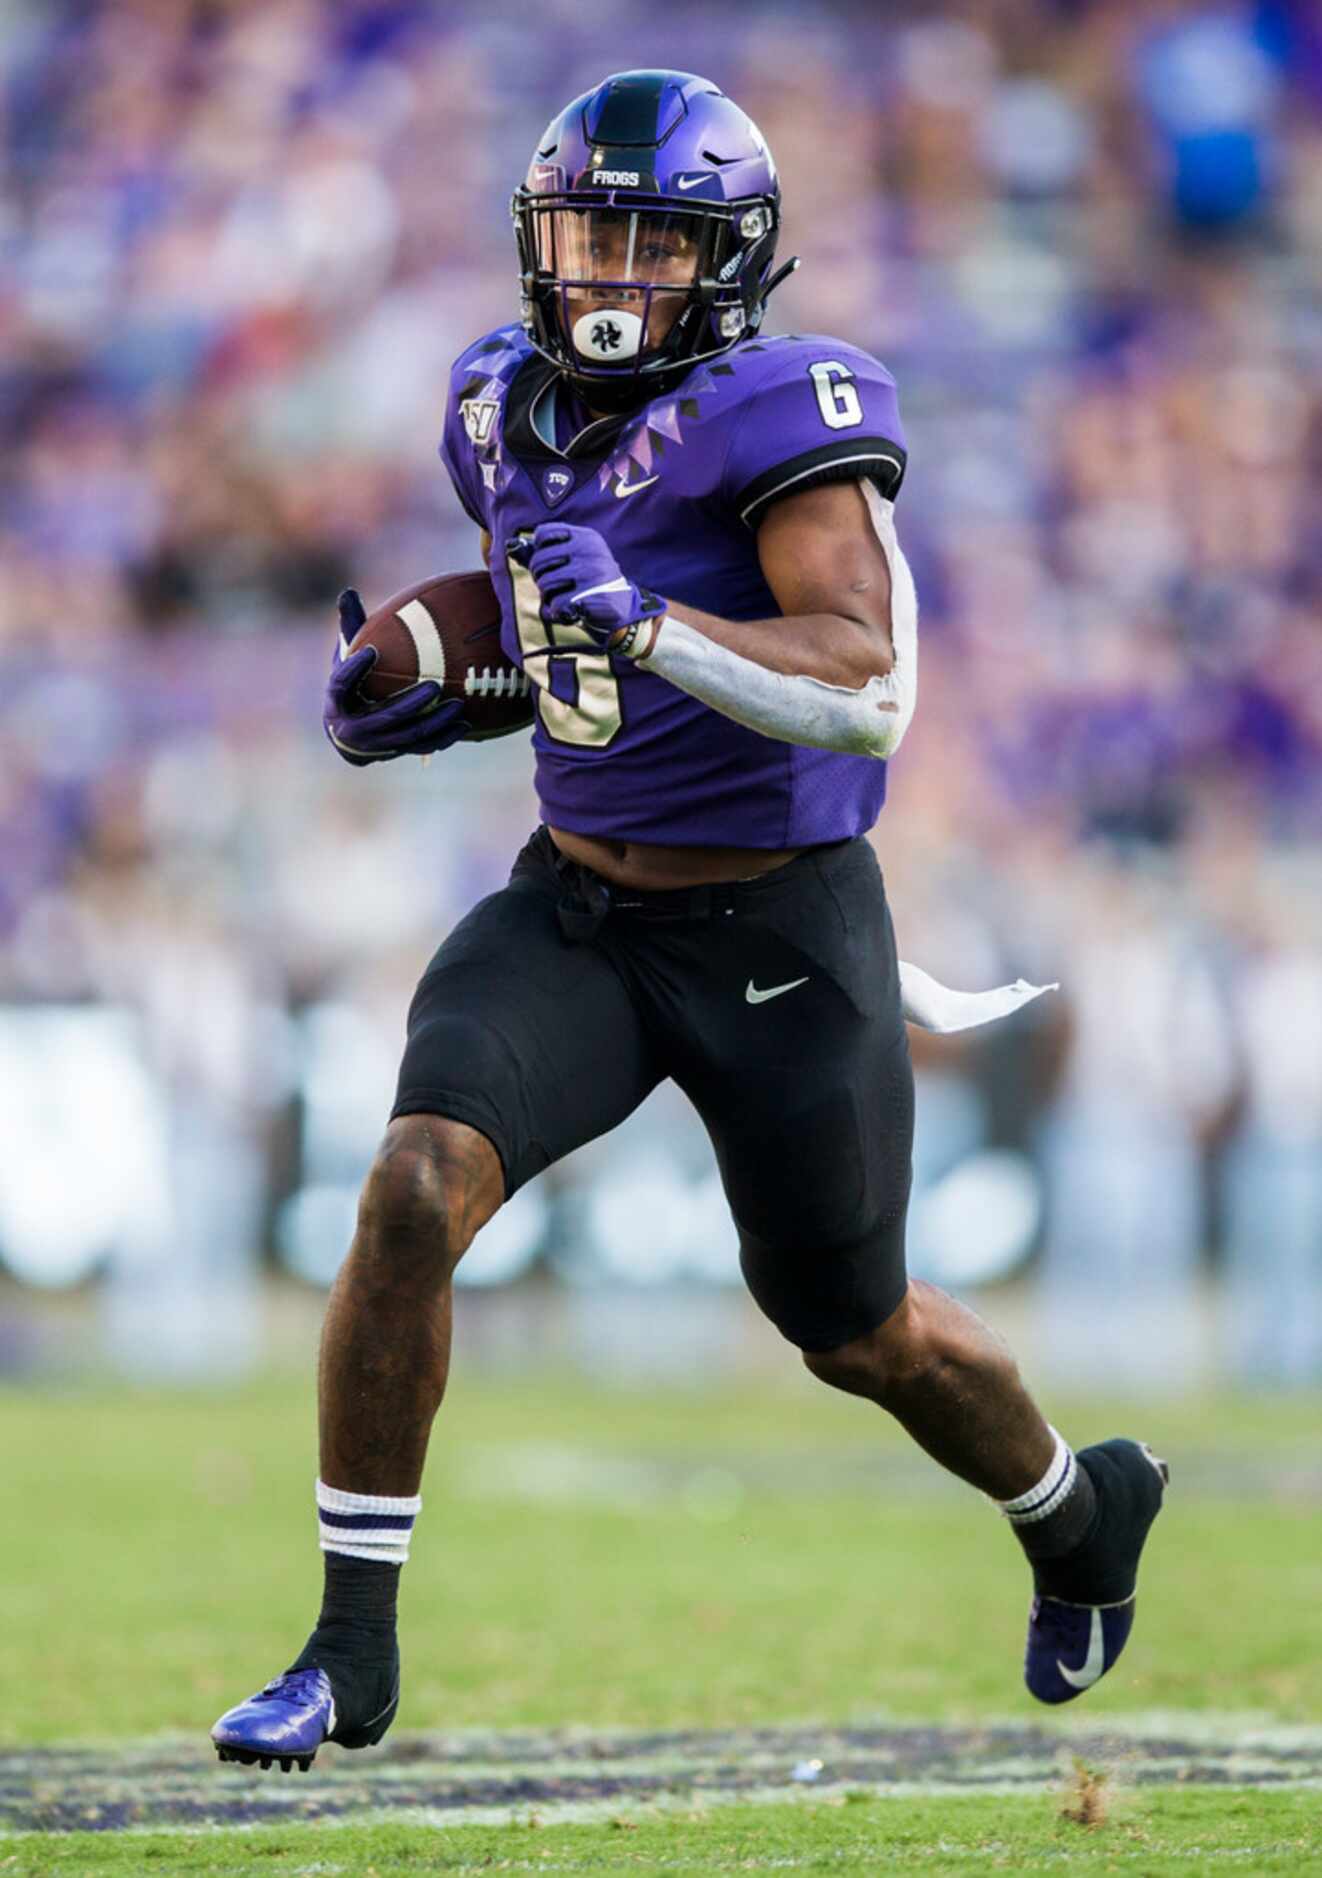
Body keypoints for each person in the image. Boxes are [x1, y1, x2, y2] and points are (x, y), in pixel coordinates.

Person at [212, 70, 1165, 1772]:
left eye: (652, 245)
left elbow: (865, 689)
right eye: (587, 234)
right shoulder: (498, 401)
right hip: (577, 903)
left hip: (778, 925)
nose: (607, 277)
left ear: (726, 263)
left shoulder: (783, 412)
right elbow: (533, 625)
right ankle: (348, 1647)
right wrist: (421, 672)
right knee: (415, 1183)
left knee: (854, 1327)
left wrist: (643, 626)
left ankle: (1080, 1510)